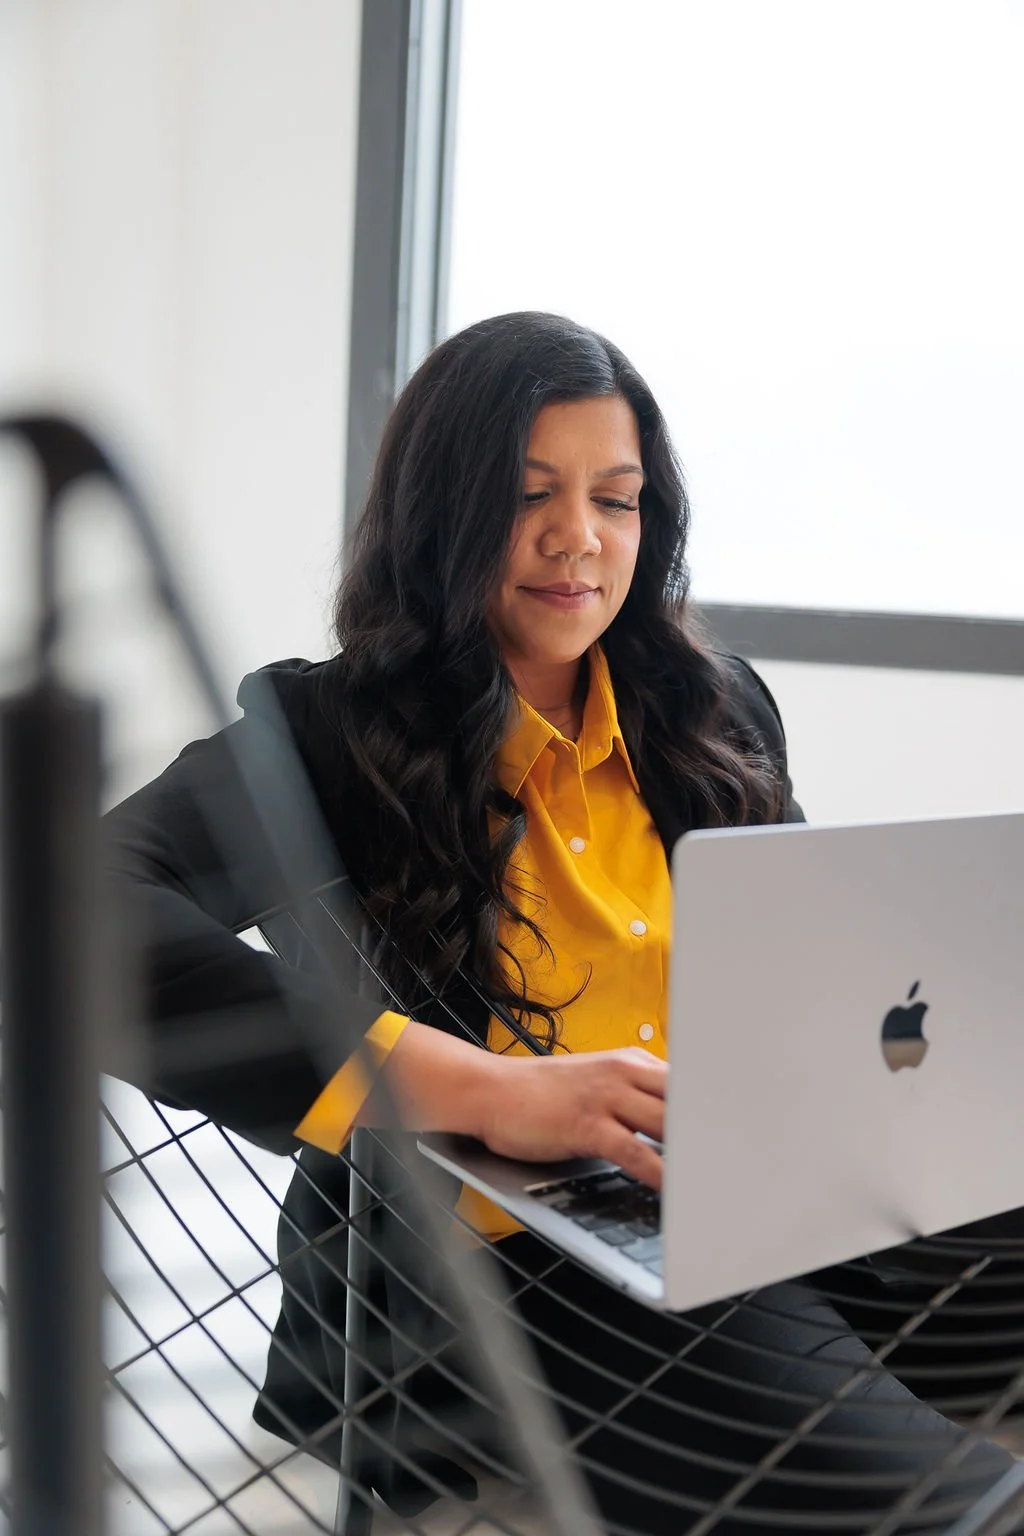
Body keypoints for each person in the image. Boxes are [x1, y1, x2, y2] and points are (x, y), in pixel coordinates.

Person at [104, 312, 1021, 1533]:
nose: (578, 539)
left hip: (757, 1185)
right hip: (516, 1264)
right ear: (441, 513)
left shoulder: (716, 708)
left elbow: (812, 976)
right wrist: (487, 1090)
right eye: (527, 493)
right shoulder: (325, 740)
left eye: (619, 497)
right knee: (953, 1506)